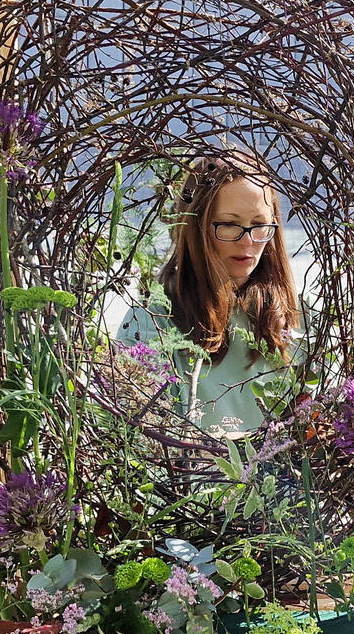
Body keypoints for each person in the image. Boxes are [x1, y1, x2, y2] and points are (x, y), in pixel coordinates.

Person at [117, 149, 299, 435]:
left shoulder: (293, 317)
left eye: (260, 225)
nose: (248, 242)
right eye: (229, 225)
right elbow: (141, 443)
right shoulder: (151, 322)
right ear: (196, 226)